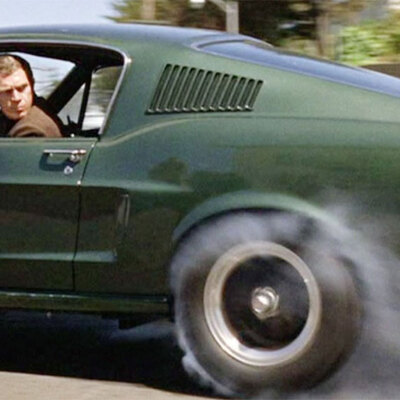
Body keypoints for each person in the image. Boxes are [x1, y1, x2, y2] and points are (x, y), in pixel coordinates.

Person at [0, 54, 62, 138]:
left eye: (22, 88)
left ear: (32, 85)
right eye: (7, 91)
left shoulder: (30, 131)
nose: (16, 98)